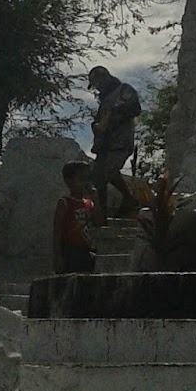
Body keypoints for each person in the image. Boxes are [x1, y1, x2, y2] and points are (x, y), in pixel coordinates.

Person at [87, 65, 141, 223]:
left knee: (108, 172)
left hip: (120, 142)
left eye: (97, 83)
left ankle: (130, 200)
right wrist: (97, 125)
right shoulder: (104, 99)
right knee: (97, 178)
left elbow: (135, 109)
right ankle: (100, 215)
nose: (96, 88)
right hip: (105, 145)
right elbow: (99, 123)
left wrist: (113, 116)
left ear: (104, 78)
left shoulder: (123, 90)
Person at [52, 160, 98, 274]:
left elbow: (99, 221)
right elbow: (57, 232)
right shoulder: (65, 202)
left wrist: (96, 199)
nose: (85, 183)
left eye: (88, 179)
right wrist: (57, 256)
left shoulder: (88, 203)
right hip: (70, 251)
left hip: (86, 249)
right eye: (81, 179)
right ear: (69, 181)